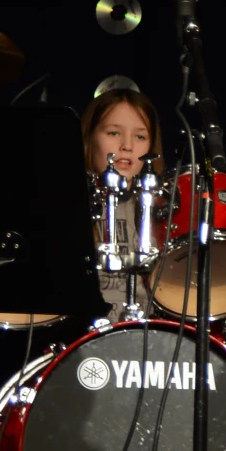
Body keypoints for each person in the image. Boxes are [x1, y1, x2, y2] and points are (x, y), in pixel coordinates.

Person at [82, 82, 164, 324]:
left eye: (140, 136)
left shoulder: (164, 210)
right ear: (89, 139)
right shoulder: (65, 207)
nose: (127, 146)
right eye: (113, 133)